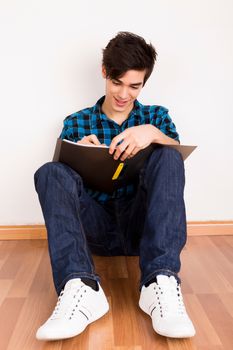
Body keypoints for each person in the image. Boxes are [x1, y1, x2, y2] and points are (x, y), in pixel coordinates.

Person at [34, 31, 195, 341]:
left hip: (141, 226)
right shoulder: (77, 121)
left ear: (144, 82)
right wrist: (77, 153)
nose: (124, 94)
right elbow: (63, 187)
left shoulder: (155, 117)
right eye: (117, 83)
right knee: (50, 171)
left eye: (134, 86)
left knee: (170, 156)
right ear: (104, 72)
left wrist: (152, 134)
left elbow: (174, 164)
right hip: (95, 226)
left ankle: (160, 279)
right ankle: (79, 285)